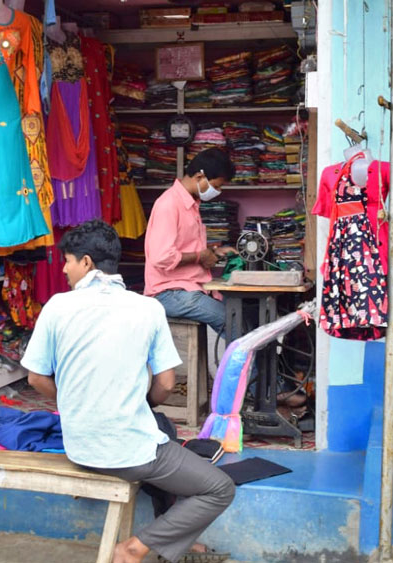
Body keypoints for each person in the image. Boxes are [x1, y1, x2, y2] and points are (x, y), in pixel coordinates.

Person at [21, 220, 235, 563]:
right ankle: (135, 548)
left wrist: (77, 400)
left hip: (80, 445)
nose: (64, 269)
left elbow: (35, 378)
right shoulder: (148, 308)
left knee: (161, 434)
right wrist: (142, 403)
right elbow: (165, 384)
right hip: (129, 453)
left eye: (69, 260)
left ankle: (170, 543)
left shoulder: (56, 307)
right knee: (218, 487)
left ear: (87, 263)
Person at [144, 148, 237, 336]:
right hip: (168, 293)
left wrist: (213, 251)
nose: (217, 192)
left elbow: (183, 245)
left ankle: (245, 366)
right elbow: (161, 257)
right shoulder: (169, 204)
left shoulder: (191, 205)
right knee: (232, 322)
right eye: (216, 186)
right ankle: (246, 367)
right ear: (199, 176)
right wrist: (200, 256)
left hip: (187, 288)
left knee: (242, 312)